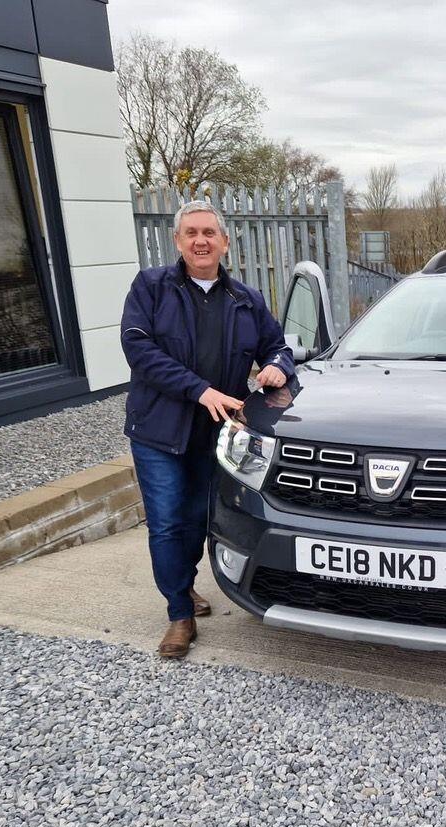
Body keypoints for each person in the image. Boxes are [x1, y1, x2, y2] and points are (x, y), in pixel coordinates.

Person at [120, 199, 294, 659]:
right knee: (166, 523)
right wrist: (200, 390)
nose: (200, 240)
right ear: (178, 241)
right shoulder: (151, 288)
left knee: (200, 519)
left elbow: (277, 346)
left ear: (224, 242)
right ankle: (179, 613)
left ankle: (185, 584)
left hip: (215, 436)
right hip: (159, 431)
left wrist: (276, 367)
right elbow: (139, 350)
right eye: (191, 233)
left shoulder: (246, 300)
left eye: (209, 233)